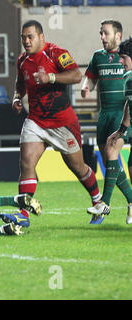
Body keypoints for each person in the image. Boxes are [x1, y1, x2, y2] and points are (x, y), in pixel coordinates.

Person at [1, 20, 102, 227]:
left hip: (62, 122)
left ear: (41, 37)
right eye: (23, 37)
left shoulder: (56, 53)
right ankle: (23, 214)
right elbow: (20, 83)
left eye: (30, 37)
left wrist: (51, 77)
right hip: (36, 121)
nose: (26, 41)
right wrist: (16, 97)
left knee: (78, 168)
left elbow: (76, 75)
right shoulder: (22, 60)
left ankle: (98, 202)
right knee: (26, 162)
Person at [81, 20, 132, 224]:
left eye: (106, 33)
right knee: (110, 162)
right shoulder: (98, 57)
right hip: (105, 115)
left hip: (122, 113)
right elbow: (90, 78)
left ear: (117, 36)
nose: (102, 37)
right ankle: (130, 202)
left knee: (112, 153)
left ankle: (104, 204)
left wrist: (123, 126)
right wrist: (86, 87)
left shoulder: (127, 57)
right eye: (100, 33)